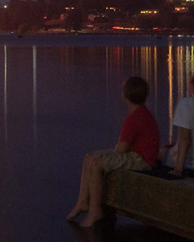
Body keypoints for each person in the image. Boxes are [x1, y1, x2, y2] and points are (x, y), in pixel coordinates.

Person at [67, 76, 161, 228]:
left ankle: (95, 211)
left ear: (125, 95)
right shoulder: (141, 113)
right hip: (137, 154)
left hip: (142, 160)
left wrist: (122, 148)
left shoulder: (134, 118)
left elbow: (120, 149)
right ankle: (83, 202)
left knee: (97, 164)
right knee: (89, 158)